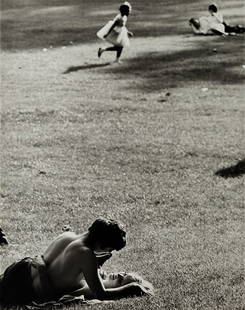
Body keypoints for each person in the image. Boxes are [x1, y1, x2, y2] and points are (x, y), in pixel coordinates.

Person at [0, 218, 148, 306]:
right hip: (25, 288)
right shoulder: (85, 253)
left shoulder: (68, 236)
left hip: (21, 268)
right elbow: (101, 294)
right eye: (109, 249)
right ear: (102, 244)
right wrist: (131, 288)